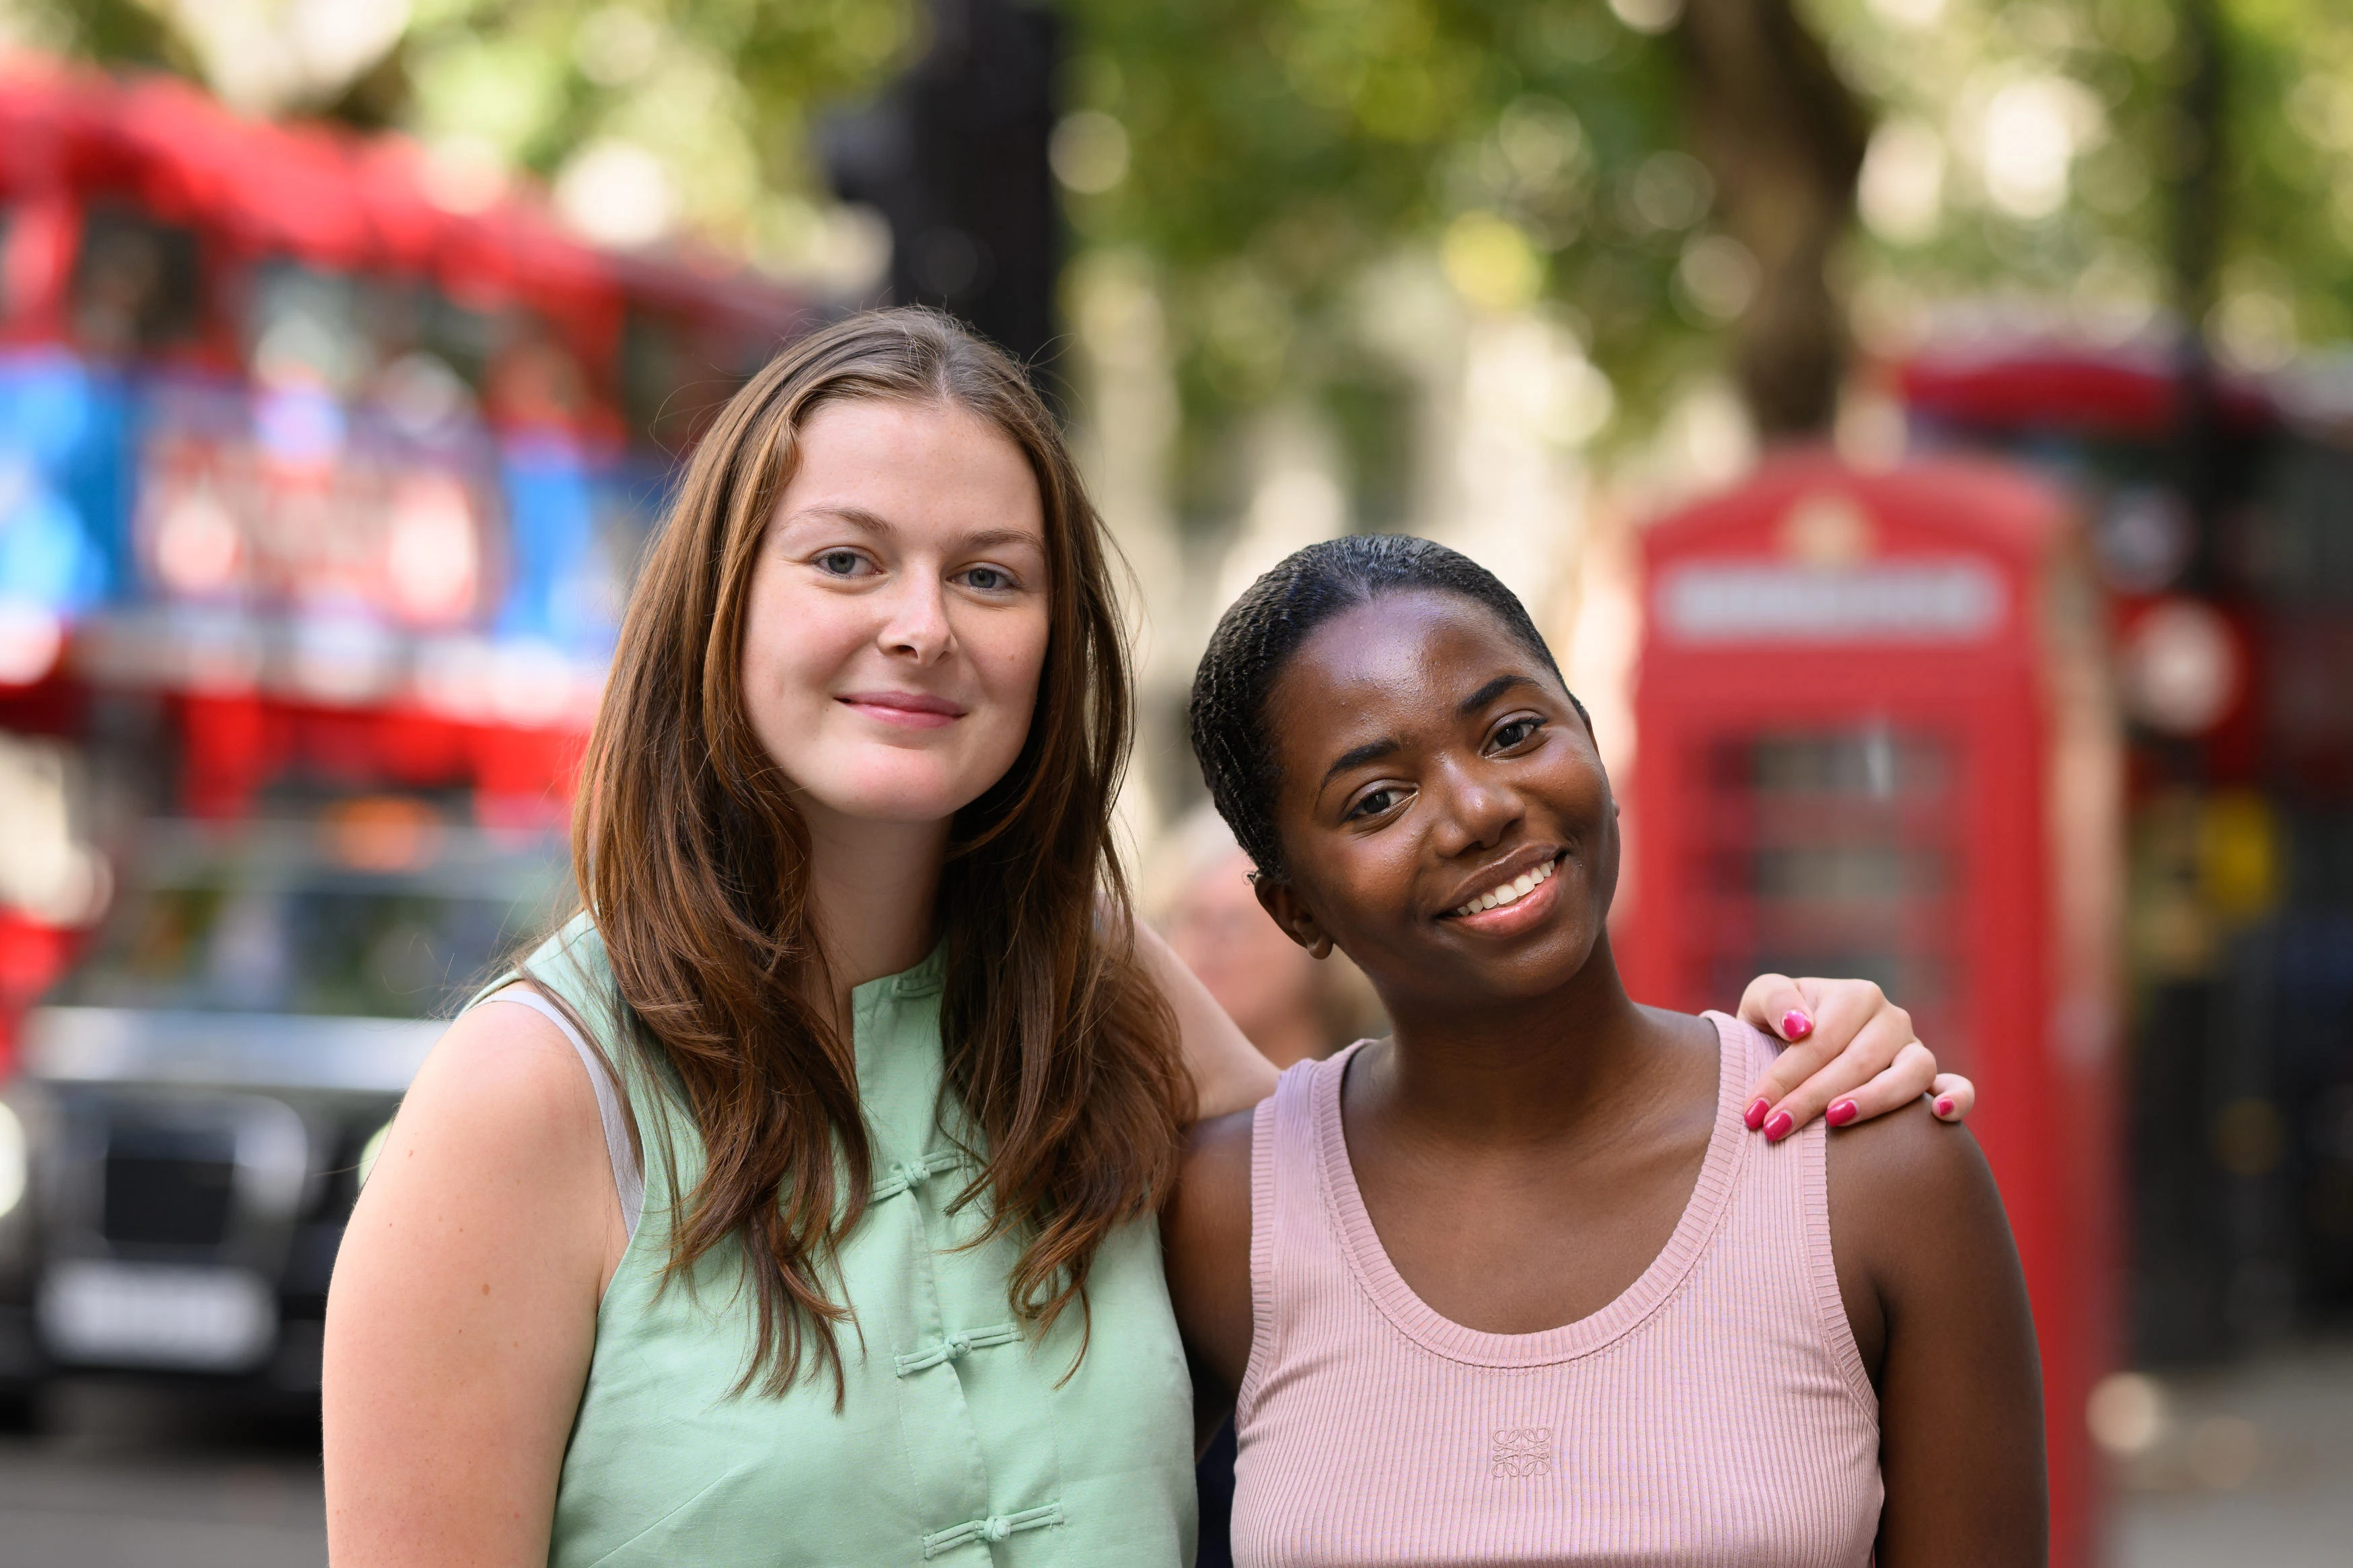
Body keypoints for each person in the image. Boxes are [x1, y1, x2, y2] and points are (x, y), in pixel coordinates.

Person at [322, 309, 1973, 1567]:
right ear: (721, 610)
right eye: (845, 561)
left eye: (990, 574)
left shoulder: (1089, 985)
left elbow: (1435, 1214)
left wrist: (1792, 1062)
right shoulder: (528, 1099)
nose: (921, 623)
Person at [1167, 535, 2046, 1567]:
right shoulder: (1224, 1214)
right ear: (1293, 907)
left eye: (1512, 731)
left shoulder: (1871, 1169)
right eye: (1377, 799)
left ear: (1590, 739)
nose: (1480, 807)